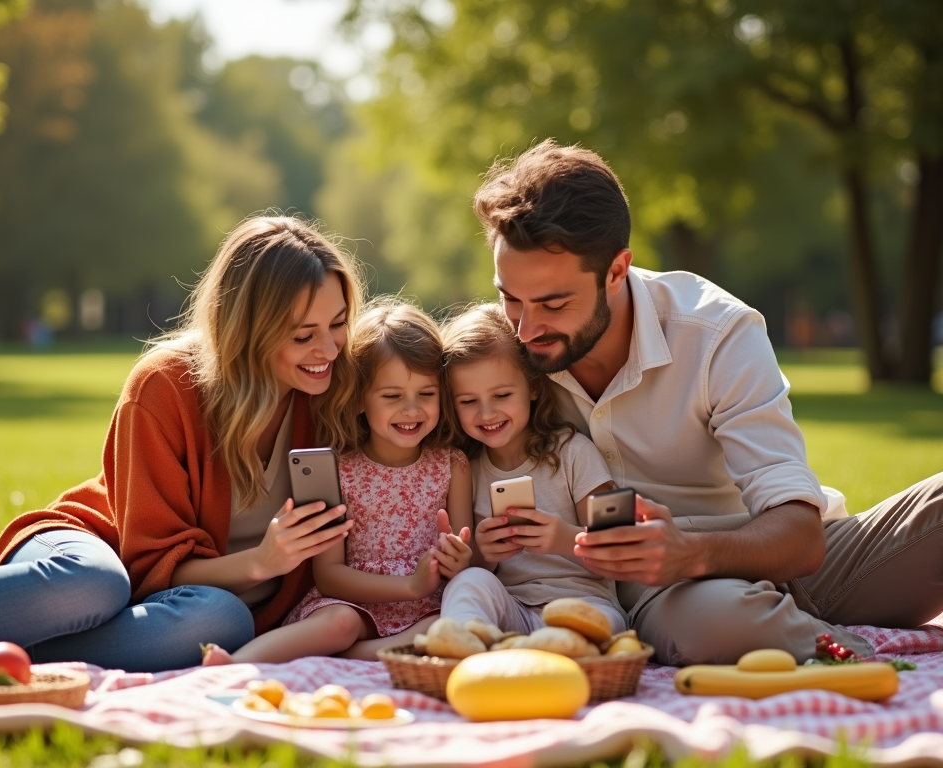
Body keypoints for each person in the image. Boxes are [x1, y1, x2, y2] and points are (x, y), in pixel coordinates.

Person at [473, 139, 943, 666]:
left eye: (553, 303)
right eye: (509, 297)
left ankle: (790, 624)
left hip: (792, 561)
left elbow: (801, 536)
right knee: (715, 624)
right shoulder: (503, 358)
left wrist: (690, 553)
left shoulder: (715, 333)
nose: (526, 326)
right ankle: (846, 653)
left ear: (616, 270)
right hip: (662, 596)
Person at [0, 216, 362, 672]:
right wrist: (261, 562)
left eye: (339, 324)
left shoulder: (337, 393)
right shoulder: (166, 385)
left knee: (222, 620)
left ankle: (4, 651)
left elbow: (422, 393)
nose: (328, 350)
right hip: (94, 551)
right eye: (304, 335)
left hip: (195, 608)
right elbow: (149, 563)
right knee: (96, 583)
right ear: (248, 329)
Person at [208, 300, 474, 663]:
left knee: (444, 625)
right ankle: (235, 665)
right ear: (361, 399)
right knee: (339, 624)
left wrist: (457, 561)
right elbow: (329, 574)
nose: (411, 409)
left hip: (427, 608)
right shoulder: (338, 470)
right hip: (353, 603)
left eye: (426, 394)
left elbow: (465, 558)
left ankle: (350, 657)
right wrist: (408, 585)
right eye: (392, 396)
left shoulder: (451, 466)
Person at [437, 302, 626, 638]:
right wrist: (483, 554)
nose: (486, 413)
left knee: (595, 628)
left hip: (585, 607)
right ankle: (463, 645)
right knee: (469, 582)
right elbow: (475, 573)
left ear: (534, 388)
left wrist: (566, 539)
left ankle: (537, 652)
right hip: (513, 611)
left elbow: (622, 546)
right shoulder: (467, 470)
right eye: (468, 401)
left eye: (502, 395)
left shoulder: (575, 451)